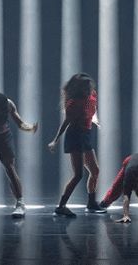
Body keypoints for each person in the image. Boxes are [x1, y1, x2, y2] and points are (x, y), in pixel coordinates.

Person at [48, 73, 105, 217]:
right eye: (86, 87)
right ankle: (61, 207)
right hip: (75, 136)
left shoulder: (92, 97)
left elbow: (91, 112)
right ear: (80, 89)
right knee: (78, 175)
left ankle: (91, 204)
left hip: (85, 136)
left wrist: (96, 121)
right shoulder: (73, 102)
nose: (89, 89)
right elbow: (66, 122)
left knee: (95, 171)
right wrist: (55, 140)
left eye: (90, 87)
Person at [99, 152, 138, 223]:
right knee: (117, 188)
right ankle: (104, 203)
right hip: (130, 161)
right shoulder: (129, 173)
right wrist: (125, 215)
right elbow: (126, 196)